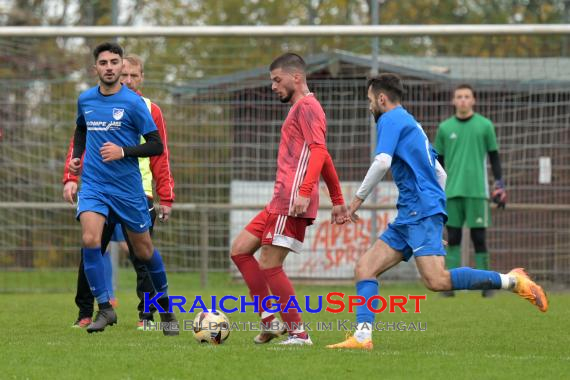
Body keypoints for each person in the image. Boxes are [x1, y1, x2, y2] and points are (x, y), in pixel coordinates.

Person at [326, 74, 548, 351]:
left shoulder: (390, 120)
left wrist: (356, 202)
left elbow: (382, 163)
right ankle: (361, 337)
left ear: (382, 99)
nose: (370, 106)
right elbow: (439, 172)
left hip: (418, 211)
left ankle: (513, 281)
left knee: (437, 280)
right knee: (365, 268)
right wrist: (435, 218)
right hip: (414, 213)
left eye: (370, 101)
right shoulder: (411, 123)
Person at [230, 53, 349, 345]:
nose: (273, 86)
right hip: (280, 200)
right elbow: (325, 156)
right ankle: (269, 322)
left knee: (270, 262)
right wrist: (337, 198)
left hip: (292, 200)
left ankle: (298, 333)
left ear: (296, 77)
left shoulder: (308, 106)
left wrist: (305, 191)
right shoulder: (301, 108)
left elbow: (319, 153)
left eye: (277, 79)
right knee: (240, 250)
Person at [68, 41, 177, 335]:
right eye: (103, 63)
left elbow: (156, 145)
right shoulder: (86, 100)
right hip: (93, 185)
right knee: (91, 240)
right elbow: (80, 129)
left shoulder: (133, 103)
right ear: (96, 68)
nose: (109, 68)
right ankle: (104, 309)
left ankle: (165, 307)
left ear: (121, 66)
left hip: (128, 189)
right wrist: (77, 158)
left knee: (143, 250)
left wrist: (124, 151)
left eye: (114, 62)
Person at [434, 84, 507, 297]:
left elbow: (494, 157)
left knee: (479, 239)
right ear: (453, 101)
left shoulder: (485, 125)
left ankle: (488, 286)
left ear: (473, 100)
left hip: (477, 192)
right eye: (459, 97)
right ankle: (450, 286)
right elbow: (438, 162)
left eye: (467, 96)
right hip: (452, 191)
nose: (463, 100)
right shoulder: (445, 128)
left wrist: (499, 184)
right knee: (453, 238)